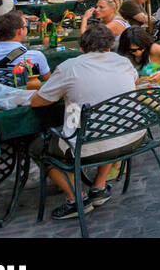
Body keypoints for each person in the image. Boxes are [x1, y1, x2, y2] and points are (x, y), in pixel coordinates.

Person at [29, 24, 142, 219]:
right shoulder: (123, 62)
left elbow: (38, 101)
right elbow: (136, 81)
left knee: (39, 146)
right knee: (100, 120)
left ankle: (75, 198)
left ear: (81, 47)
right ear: (109, 46)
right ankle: (98, 185)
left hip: (94, 140)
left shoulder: (69, 67)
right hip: (131, 135)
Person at [0, 10, 51, 78]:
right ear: (19, 31)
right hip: (19, 97)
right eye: (25, 27)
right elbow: (48, 82)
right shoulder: (35, 56)